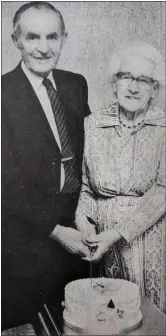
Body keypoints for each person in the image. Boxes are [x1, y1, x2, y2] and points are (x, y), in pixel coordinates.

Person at [2, 1, 91, 329]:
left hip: (77, 238)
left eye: (52, 37)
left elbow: (89, 155)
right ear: (16, 40)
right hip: (24, 246)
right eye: (33, 37)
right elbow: (4, 186)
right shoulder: (2, 94)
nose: (43, 48)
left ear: (64, 38)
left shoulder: (75, 84)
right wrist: (56, 231)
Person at [75, 41, 166, 313]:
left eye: (144, 80)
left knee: (151, 315)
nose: (134, 87)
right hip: (103, 246)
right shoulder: (93, 124)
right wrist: (83, 220)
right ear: (114, 83)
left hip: (152, 241)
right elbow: (86, 187)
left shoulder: (164, 128)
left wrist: (116, 233)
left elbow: (164, 190)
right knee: (112, 314)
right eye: (126, 77)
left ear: (155, 89)